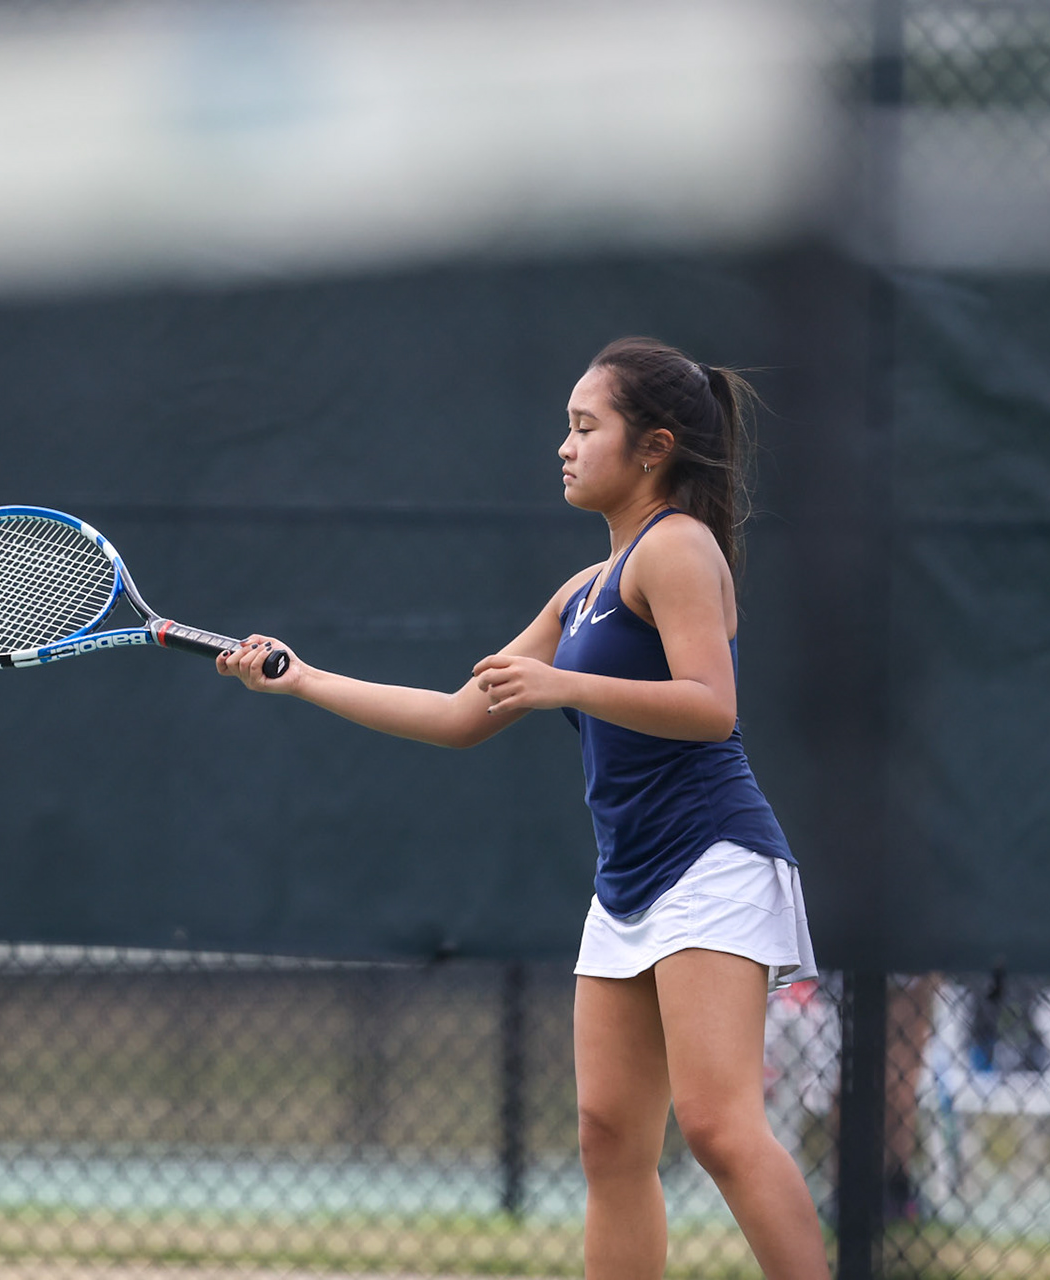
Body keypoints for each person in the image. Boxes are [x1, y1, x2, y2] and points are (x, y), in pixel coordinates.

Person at [217, 336, 828, 1278]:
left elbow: (713, 707)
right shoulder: (582, 590)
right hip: (627, 885)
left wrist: (562, 689)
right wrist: (302, 679)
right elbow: (462, 717)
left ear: (654, 447)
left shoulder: (678, 547)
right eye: (567, 427)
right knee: (607, 1138)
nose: (565, 445)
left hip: (712, 859)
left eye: (587, 428)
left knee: (717, 1126)